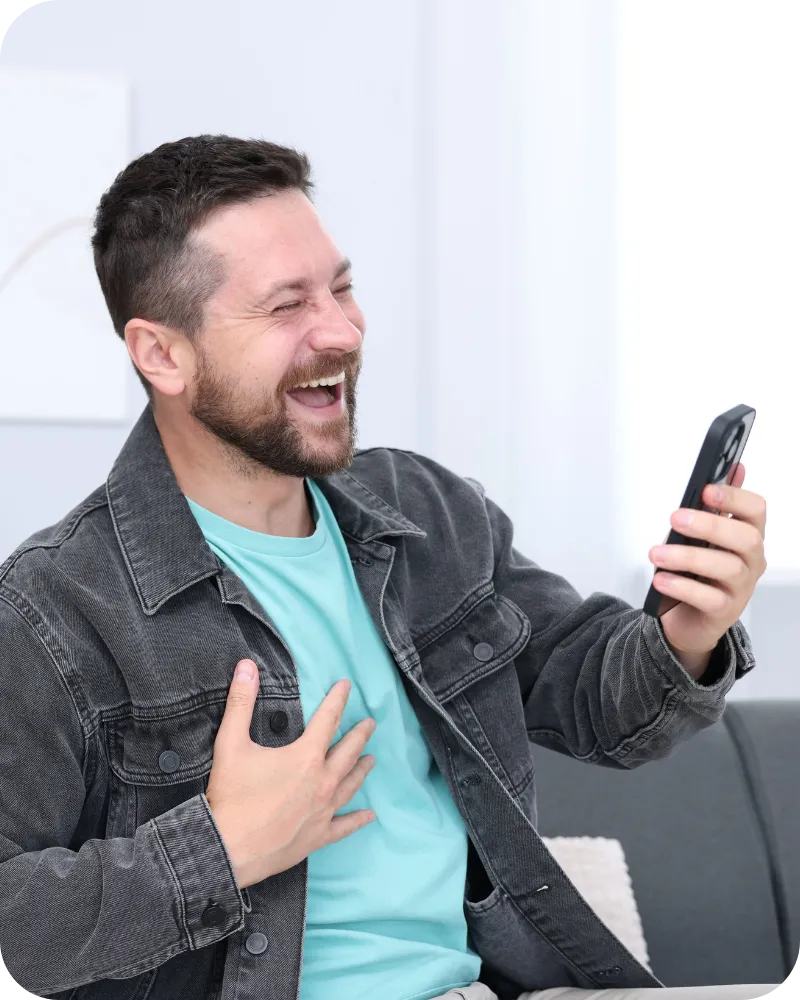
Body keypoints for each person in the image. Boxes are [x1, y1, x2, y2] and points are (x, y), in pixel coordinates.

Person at [0, 135, 780, 1000]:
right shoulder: (55, 610)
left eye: (340, 286)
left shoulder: (425, 514)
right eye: (286, 305)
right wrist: (218, 852)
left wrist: (689, 632)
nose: (339, 329)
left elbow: (600, 704)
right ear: (162, 353)